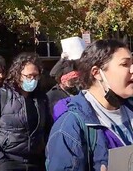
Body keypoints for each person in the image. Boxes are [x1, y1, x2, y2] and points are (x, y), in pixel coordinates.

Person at [46, 39, 133, 171]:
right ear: (97, 73)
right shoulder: (70, 127)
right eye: (125, 64)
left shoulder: (130, 109)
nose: (132, 69)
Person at [0, 52, 52, 171]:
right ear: (18, 75)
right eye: (28, 76)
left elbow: (48, 129)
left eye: (36, 76)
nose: (32, 80)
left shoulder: (42, 99)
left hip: (37, 162)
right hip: (9, 161)